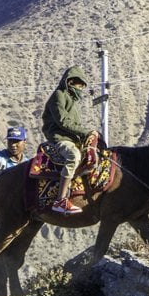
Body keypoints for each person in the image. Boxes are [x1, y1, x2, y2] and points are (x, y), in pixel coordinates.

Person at [42, 66, 92, 214]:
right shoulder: (59, 95)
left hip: (72, 138)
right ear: (70, 82)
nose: (81, 88)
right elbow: (62, 121)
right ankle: (60, 200)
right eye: (79, 84)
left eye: (82, 85)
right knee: (73, 156)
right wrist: (85, 132)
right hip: (60, 139)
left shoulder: (72, 101)